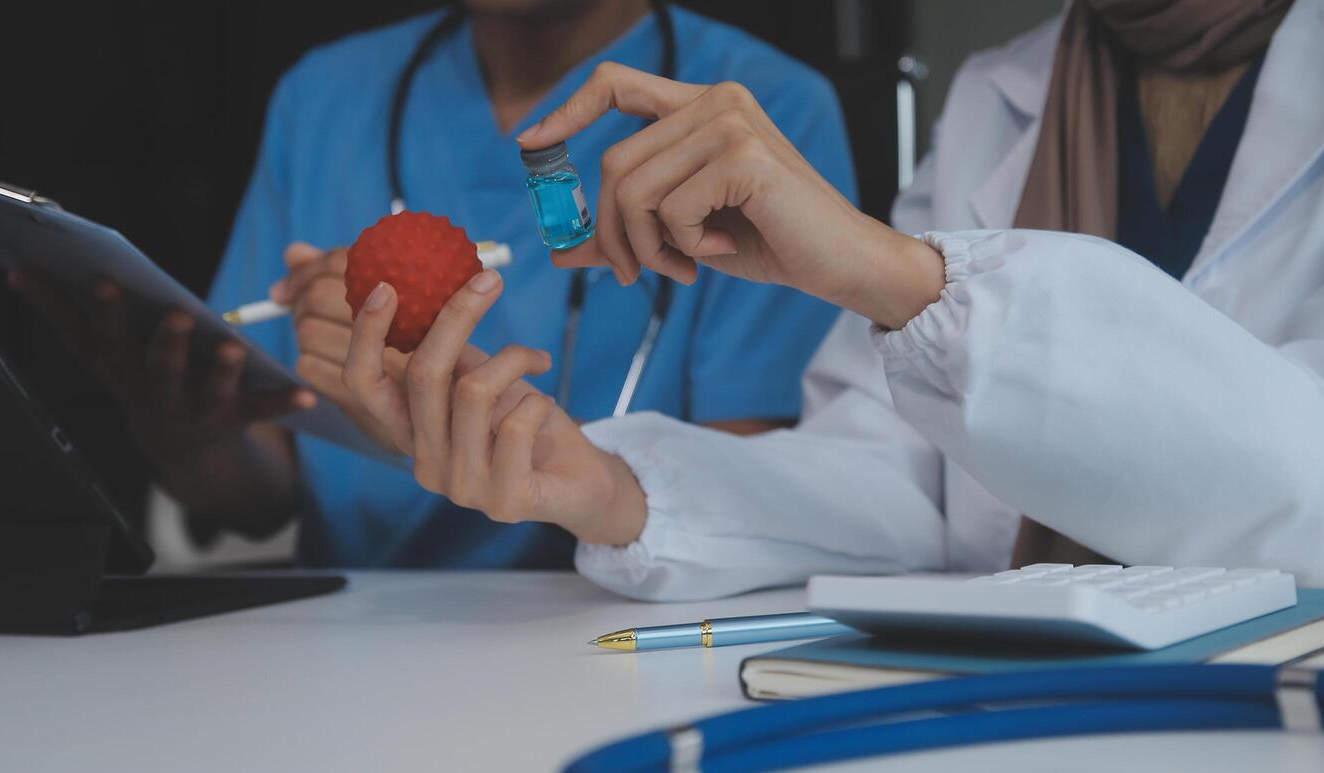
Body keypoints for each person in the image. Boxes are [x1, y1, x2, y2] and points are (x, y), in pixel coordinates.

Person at [312, 0, 1324, 599]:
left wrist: (898, 277)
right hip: (1015, 716)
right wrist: (608, 486)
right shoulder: (999, 93)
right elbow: (898, 484)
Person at [191, 0, 852, 570]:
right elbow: (254, 492)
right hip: (339, 645)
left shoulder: (763, 121)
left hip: (608, 633)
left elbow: (751, 515)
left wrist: (459, 423)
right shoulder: (322, 97)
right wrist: (189, 426)